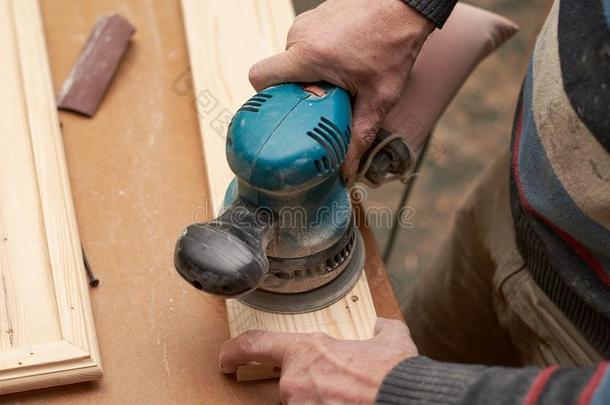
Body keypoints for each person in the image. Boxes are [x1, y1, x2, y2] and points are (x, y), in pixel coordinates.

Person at [219, 0, 610, 403]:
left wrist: (409, 392)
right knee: (418, 337)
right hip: (529, 190)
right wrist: (402, 9)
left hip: (590, 336)